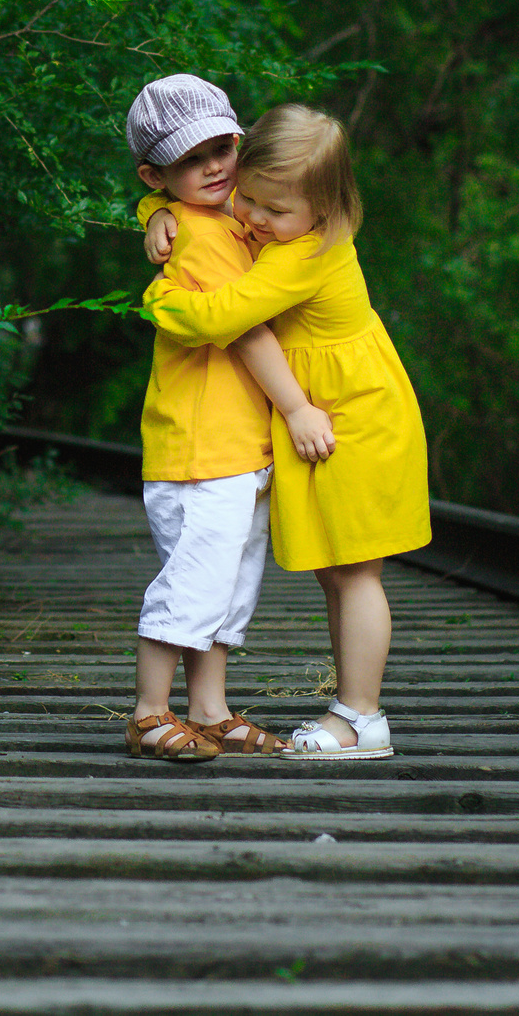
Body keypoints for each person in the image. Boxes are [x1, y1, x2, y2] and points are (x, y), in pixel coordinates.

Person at [141, 102, 430, 760]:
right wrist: (155, 214)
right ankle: (354, 709)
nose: (253, 218)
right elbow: (199, 212)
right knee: (338, 573)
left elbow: (222, 316)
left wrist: (161, 299)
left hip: (354, 414)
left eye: (275, 210)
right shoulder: (283, 231)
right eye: (249, 198)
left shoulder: (302, 254)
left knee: (356, 573)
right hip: (333, 408)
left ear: (322, 211)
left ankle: (360, 717)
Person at [119, 75, 337, 762]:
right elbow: (242, 330)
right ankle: (150, 711)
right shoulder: (202, 238)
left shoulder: (223, 216)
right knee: (194, 582)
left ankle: (208, 708)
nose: (214, 166)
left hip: (234, 446)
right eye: (193, 159)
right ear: (157, 172)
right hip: (199, 445)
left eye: (224, 146)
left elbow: (179, 200)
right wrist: (297, 405)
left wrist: (152, 207)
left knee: (229, 586)